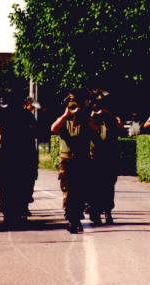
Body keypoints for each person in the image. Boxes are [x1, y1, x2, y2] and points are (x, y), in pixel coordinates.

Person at [0, 93, 38, 225]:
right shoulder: (26, 114)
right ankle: (20, 208)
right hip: (23, 153)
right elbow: (37, 130)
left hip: (8, 153)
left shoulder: (2, 113)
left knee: (6, 183)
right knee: (22, 182)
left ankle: (8, 211)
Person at [51, 91, 93, 233]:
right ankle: (71, 218)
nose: (73, 109)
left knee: (81, 190)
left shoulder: (86, 120)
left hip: (82, 160)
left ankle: (76, 217)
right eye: (71, 106)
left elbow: (97, 131)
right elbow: (53, 128)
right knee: (68, 190)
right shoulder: (64, 121)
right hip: (67, 160)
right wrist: (65, 115)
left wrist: (85, 116)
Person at [89, 92, 123, 225]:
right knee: (95, 186)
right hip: (95, 157)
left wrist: (107, 114)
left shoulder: (112, 119)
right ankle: (95, 212)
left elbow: (119, 127)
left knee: (109, 186)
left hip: (110, 157)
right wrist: (93, 114)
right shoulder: (91, 117)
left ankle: (108, 212)